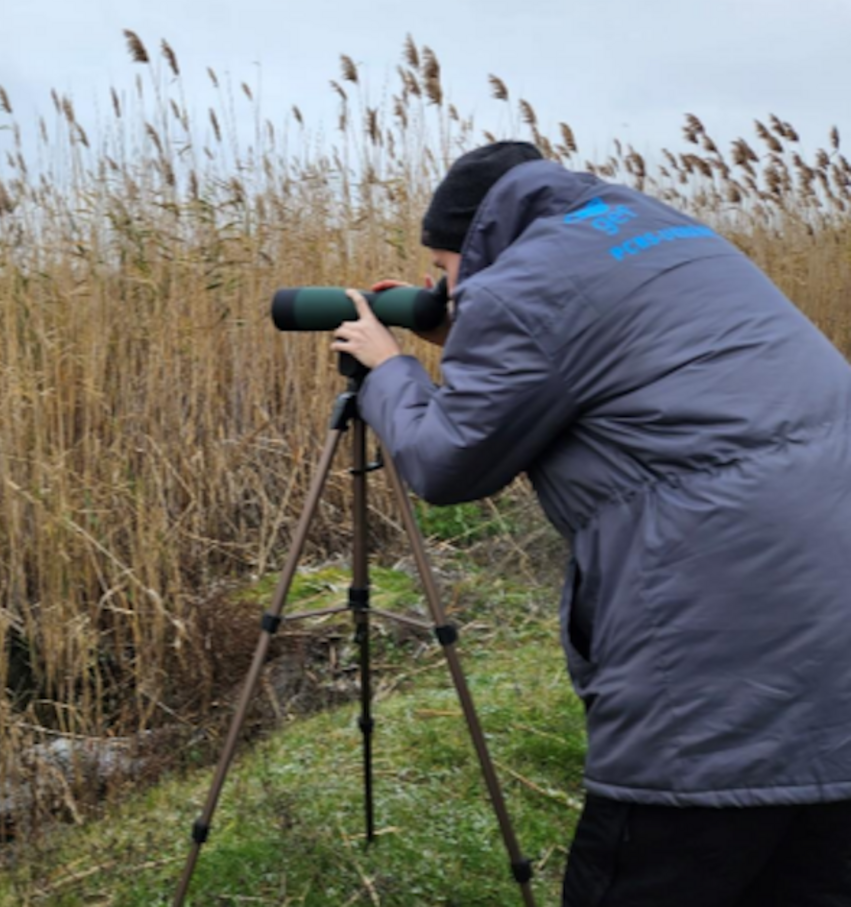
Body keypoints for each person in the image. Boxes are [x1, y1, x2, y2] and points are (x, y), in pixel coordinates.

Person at [330, 141, 851, 906]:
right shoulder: (669, 233)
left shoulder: (519, 289)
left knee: (657, 860)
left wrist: (390, 371)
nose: (441, 288)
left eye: (442, 272)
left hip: (717, 631)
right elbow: (623, 355)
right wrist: (467, 335)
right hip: (829, 595)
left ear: (471, 245)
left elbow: (446, 465)